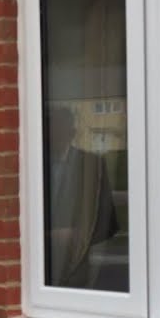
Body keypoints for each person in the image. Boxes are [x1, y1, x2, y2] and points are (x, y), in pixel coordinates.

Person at [44, 104, 119, 289]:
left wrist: (78, 235)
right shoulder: (34, 165)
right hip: (40, 266)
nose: (53, 136)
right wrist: (49, 235)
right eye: (50, 131)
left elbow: (107, 218)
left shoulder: (91, 166)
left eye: (59, 130)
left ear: (72, 133)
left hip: (76, 265)